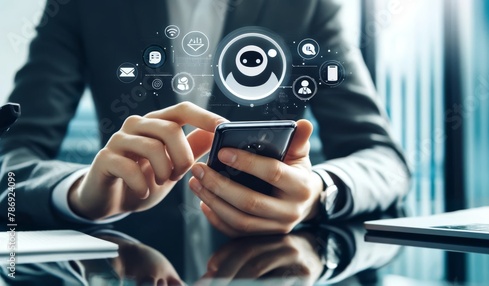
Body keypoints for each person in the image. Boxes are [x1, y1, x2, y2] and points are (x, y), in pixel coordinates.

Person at [0, 0, 410, 236]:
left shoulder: (307, 4)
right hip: (134, 266)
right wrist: (77, 194)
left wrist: (319, 192)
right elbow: (12, 157)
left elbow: (384, 161)